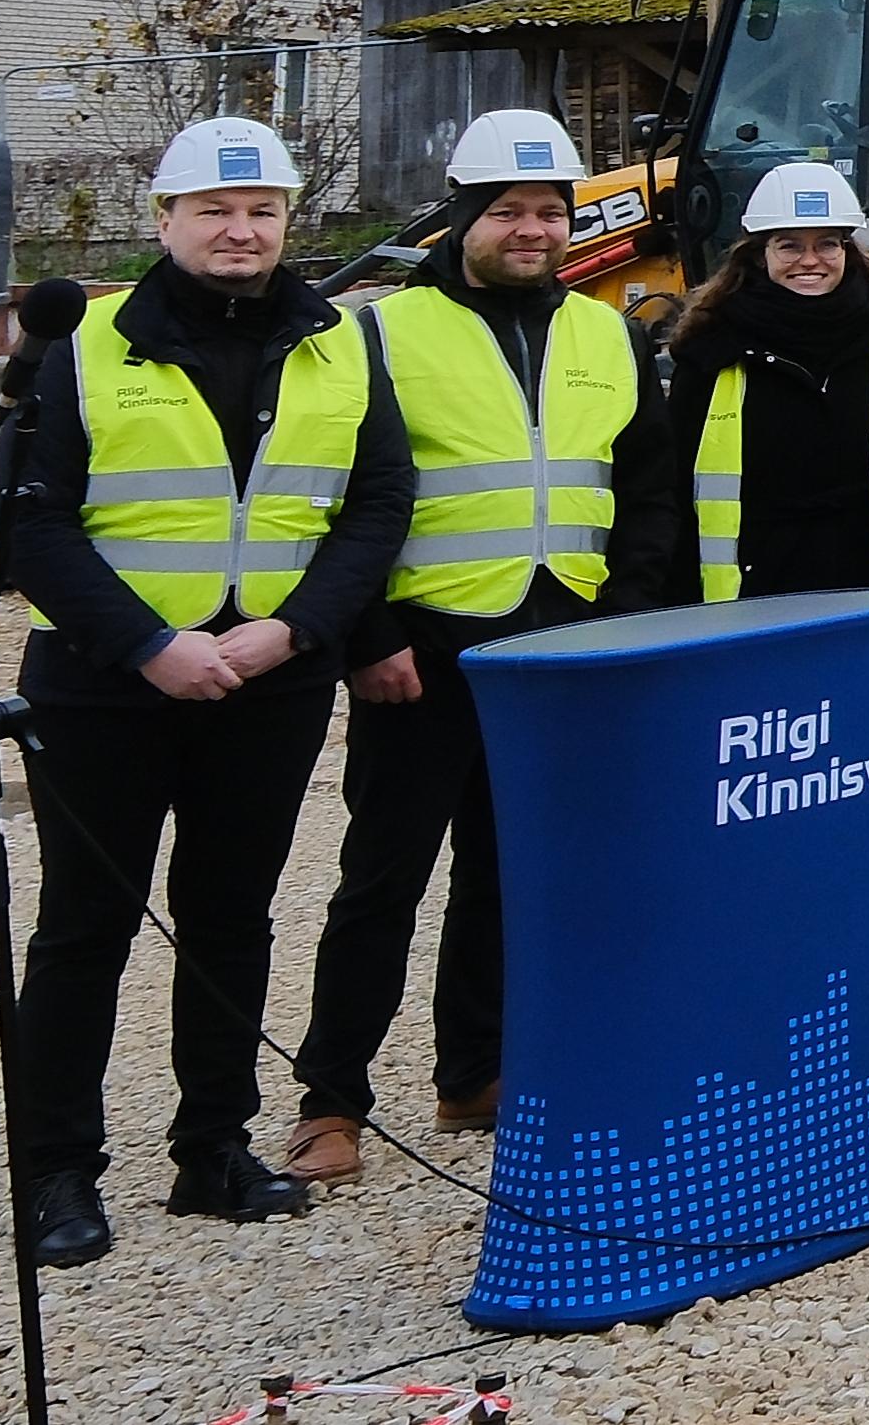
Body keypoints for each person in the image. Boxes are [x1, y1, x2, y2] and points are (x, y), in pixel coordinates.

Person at [0, 116, 416, 1267]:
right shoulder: (82, 346)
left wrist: (299, 629)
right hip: (104, 687)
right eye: (215, 210)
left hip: (269, 683)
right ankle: (57, 1172)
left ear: (287, 220)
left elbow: (377, 503)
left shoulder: (340, 342)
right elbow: (31, 524)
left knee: (231, 920)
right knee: (86, 927)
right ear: (166, 219)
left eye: (262, 211)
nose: (240, 230)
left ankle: (212, 1148)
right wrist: (147, 644)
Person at [289, 107, 645, 1184]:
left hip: (559, 638)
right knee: (381, 880)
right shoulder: (381, 334)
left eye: (550, 211)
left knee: (509, 871)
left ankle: (474, 1073)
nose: (532, 229)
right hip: (422, 650)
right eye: (508, 210)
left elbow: (647, 492)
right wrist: (367, 634)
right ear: (460, 217)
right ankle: (330, 1100)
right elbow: (332, 498)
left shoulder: (608, 330)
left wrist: (625, 616)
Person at [663, 163, 869, 607]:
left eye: (827, 244)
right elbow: (674, 491)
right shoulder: (711, 350)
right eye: (789, 246)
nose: (810, 260)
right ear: (757, 254)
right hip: (749, 602)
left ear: (848, 250)